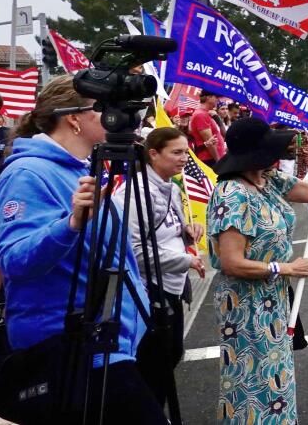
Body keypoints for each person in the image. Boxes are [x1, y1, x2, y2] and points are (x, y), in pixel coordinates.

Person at [0, 75, 167, 423]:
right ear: (73, 118)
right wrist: (71, 223)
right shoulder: (28, 173)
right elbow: (14, 260)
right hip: (69, 347)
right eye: (102, 109)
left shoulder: (84, 170)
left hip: (108, 343)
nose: (115, 118)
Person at [207, 117, 308, 422]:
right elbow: (232, 262)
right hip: (245, 303)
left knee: (276, 377)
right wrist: (287, 268)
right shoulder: (232, 194)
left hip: (273, 296)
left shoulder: (267, 180)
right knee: (251, 381)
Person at [112, 127, 206, 406]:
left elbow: (163, 232)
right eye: (176, 152)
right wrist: (186, 260)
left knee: (170, 354)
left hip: (170, 286)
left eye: (186, 153)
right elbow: (133, 251)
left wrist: (186, 231)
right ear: (153, 154)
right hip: (147, 290)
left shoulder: (170, 188)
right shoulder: (135, 193)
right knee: (154, 362)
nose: (183, 159)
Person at [190, 90, 226, 166]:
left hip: (213, 159)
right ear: (208, 97)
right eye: (216, 97)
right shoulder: (201, 115)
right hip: (209, 160)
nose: (218, 100)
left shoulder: (207, 113)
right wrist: (218, 161)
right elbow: (210, 142)